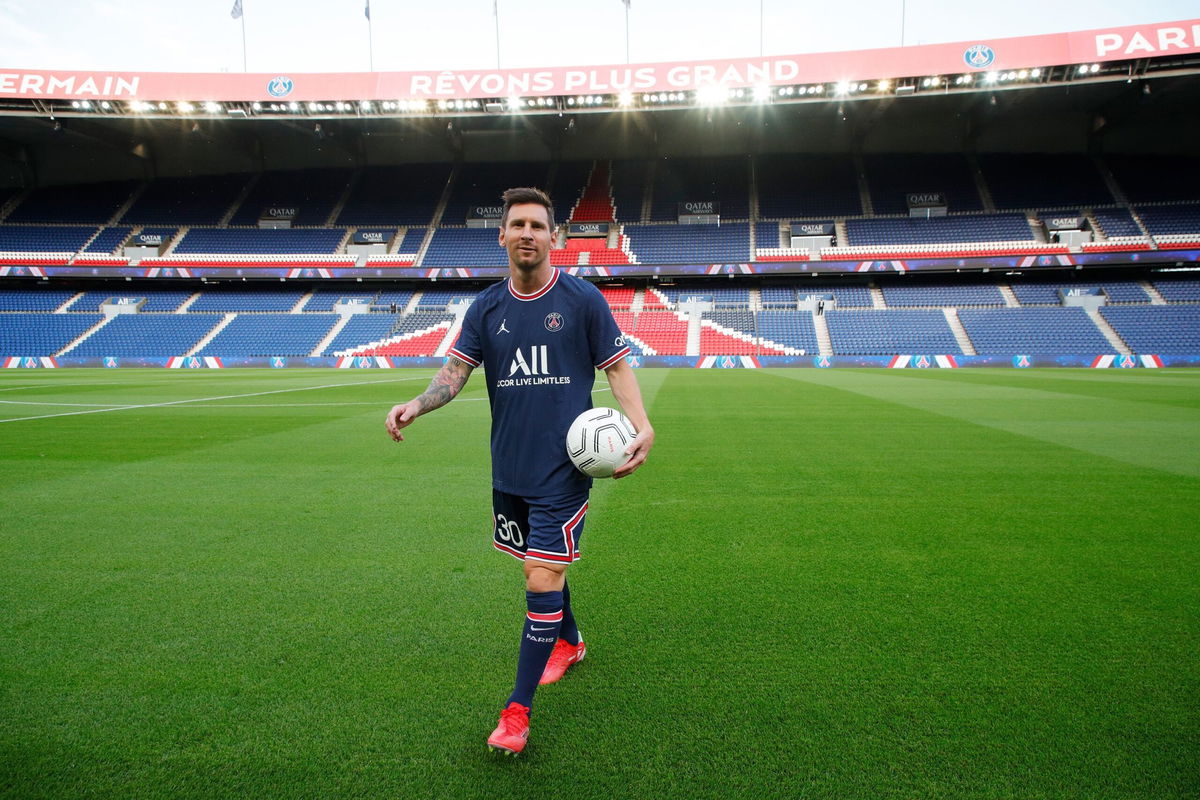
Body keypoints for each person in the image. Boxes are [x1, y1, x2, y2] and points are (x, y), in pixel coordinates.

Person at [384, 187, 654, 756]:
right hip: (509, 471)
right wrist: (417, 404)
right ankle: (571, 641)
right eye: (518, 225)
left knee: (540, 576)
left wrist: (641, 424)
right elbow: (452, 375)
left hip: (565, 471)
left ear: (554, 237)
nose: (528, 233)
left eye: (538, 225)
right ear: (502, 236)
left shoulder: (583, 301)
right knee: (542, 568)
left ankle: (517, 712)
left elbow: (619, 367)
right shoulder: (485, 308)